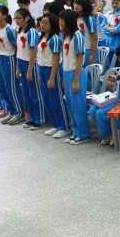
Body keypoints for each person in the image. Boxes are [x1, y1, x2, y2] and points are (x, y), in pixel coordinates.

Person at [0, 5, 23, 124]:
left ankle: (19, 112)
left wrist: (17, 66)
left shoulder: (9, 30)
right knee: (0, 87)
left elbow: (16, 48)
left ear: (4, 16)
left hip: (8, 59)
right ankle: (10, 110)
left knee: (11, 87)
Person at [35, 14, 69, 137]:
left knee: (56, 100)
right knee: (47, 99)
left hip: (52, 70)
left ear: (52, 24)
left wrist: (52, 77)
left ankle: (63, 126)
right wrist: (40, 75)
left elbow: (56, 59)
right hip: (42, 69)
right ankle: (55, 124)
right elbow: (40, 57)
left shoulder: (55, 39)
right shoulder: (41, 37)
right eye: (41, 22)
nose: (42, 25)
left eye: (46, 23)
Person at [58, 9, 89, 144]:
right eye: (59, 20)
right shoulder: (66, 36)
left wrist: (76, 80)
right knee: (70, 105)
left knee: (78, 106)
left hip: (76, 73)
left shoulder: (78, 36)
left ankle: (83, 134)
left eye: (62, 20)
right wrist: (64, 78)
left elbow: (80, 58)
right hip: (66, 73)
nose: (60, 22)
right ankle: (76, 131)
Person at [14, 9, 43, 131]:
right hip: (22, 62)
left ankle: (39, 119)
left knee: (35, 93)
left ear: (26, 18)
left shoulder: (32, 32)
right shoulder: (20, 31)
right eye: (15, 18)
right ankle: (32, 117)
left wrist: (30, 70)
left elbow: (33, 52)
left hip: (30, 64)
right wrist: (17, 68)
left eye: (19, 18)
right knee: (27, 93)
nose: (17, 20)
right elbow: (18, 52)